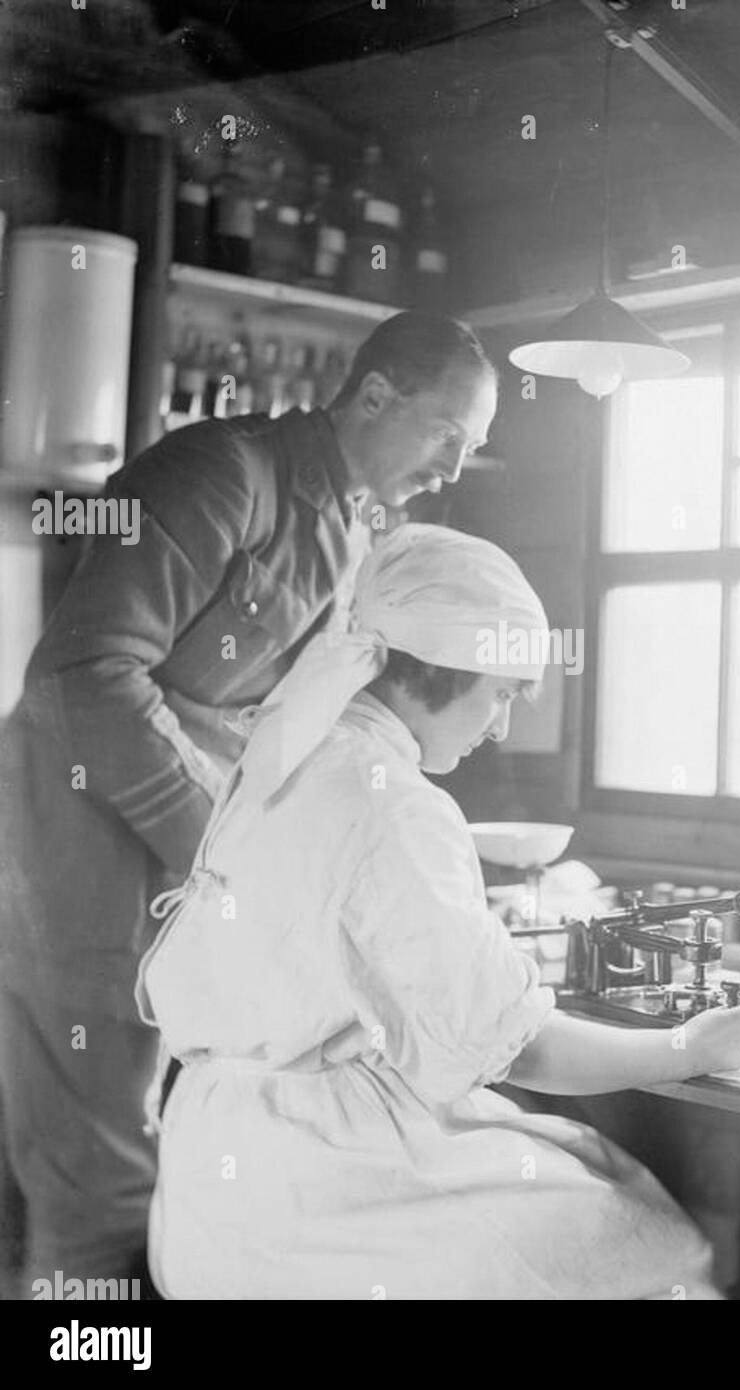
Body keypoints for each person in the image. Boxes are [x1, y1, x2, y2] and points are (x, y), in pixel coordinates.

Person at [0, 313, 497, 1296]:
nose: (450, 469)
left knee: (178, 1170)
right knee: (96, 1185)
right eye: (446, 433)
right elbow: (82, 675)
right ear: (373, 396)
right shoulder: (222, 471)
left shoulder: (358, 533)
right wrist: (228, 850)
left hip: (185, 882)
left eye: (469, 451)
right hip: (80, 853)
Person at [136, 524, 740, 1300]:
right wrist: (686, 1047)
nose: (500, 727)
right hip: (318, 1180)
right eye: (500, 693)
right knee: (651, 1254)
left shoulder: (291, 753)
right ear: (443, 670)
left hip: (212, 1180)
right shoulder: (394, 801)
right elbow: (519, 1048)